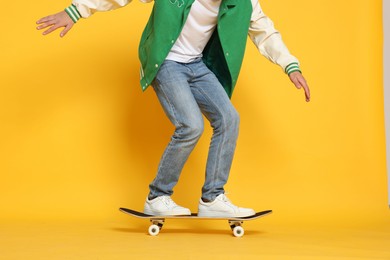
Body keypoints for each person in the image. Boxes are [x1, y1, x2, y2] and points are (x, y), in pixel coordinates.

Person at [36, 0, 310, 217]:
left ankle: (213, 197)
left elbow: (265, 31)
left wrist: (290, 65)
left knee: (229, 119)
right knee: (191, 125)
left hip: (196, 65)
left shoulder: (244, 1)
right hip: (166, 63)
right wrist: (75, 11)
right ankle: (157, 196)